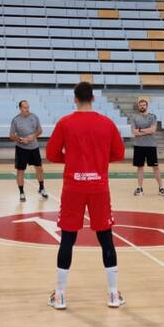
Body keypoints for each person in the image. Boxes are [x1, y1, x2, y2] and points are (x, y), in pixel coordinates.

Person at [45, 82, 126, 310]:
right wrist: (98, 162)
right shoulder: (106, 123)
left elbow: (51, 154)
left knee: (68, 238)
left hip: (73, 187)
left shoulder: (65, 123)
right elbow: (118, 154)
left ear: (75, 99)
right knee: (106, 238)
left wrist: (70, 161)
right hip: (99, 187)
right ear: (93, 98)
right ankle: (112, 294)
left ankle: (60, 295)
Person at [9, 99, 48, 202]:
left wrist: (33, 136)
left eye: (28, 107)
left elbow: (40, 130)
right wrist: (21, 139)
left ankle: (41, 188)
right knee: (20, 170)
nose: (27, 109)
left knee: (39, 168)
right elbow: (11, 135)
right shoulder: (15, 120)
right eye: (25, 108)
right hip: (21, 149)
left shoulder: (34, 117)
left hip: (34, 147)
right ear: (20, 108)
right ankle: (21, 192)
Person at [129, 97, 164, 197]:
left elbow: (153, 130)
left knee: (155, 167)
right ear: (138, 106)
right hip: (139, 146)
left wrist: (140, 130)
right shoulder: (134, 117)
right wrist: (146, 130)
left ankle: (161, 188)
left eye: (144, 105)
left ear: (147, 106)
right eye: (140, 105)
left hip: (151, 146)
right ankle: (140, 188)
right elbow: (133, 132)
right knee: (140, 167)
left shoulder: (152, 116)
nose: (142, 106)